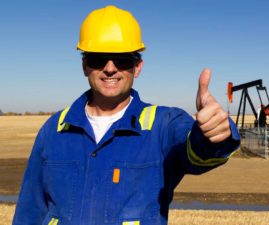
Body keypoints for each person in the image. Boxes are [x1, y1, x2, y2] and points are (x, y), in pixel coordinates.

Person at [12, 5, 240, 225]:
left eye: (121, 60)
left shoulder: (162, 125)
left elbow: (198, 155)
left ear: (137, 67)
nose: (110, 68)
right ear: (84, 66)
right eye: (98, 58)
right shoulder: (54, 129)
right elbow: (30, 209)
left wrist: (212, 136)